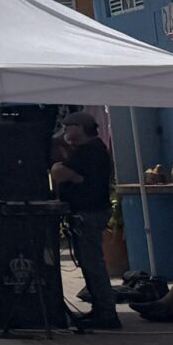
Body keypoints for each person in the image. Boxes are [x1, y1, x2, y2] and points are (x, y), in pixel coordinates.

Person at [49, 112, 124, 331]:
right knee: (89, 263)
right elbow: (61, 171)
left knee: (93, 264)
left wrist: (69, 174)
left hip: (89, 213)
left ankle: (107, 313)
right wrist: (72, 175)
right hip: (86, 212)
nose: (65, 131)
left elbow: (58, 173)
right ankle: (99, 309)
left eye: (68, 127)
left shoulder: (90, 150)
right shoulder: (83, 151)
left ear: (80, 128)